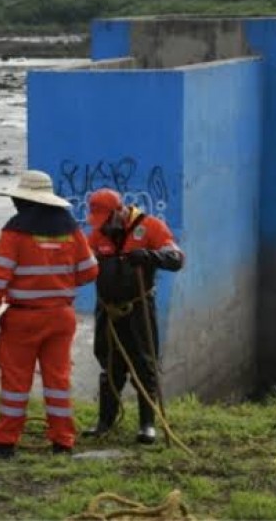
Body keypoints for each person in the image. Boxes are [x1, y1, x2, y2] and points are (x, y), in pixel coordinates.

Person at [0, 170, 98, 459]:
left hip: (23, 318)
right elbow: (90, 270)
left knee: (16, 383)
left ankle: (5, 443)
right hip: (61, 316)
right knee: (58, 381)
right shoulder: (71, 229)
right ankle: (63, 442)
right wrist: (58, 281)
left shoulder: (15, 231)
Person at [83, 188, 184, 445]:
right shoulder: (97, 234)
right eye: (98, 220)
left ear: (119, 211)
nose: (102, 225)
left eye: (106, 219)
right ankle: (104, 422)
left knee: (144, 365)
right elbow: (81, 259)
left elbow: (176, 258)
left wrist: (152, 256)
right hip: (108, 311)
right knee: (110, 365)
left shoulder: (150, 226)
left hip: (138, 309)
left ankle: (147, 424)